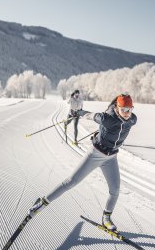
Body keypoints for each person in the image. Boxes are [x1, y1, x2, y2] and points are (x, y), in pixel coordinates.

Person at [28, 94, 137, 231]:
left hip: (111, 158)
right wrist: (79, 113)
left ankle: (106, 218)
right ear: (117, 107)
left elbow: (121, 126)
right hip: (96, 154)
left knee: (115, 190)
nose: (127, 113)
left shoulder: (133, 119)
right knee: (71, 182)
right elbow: (90, 115)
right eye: (124, 109)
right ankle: (42, 203)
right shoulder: (107, 118)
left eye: (130, 109)